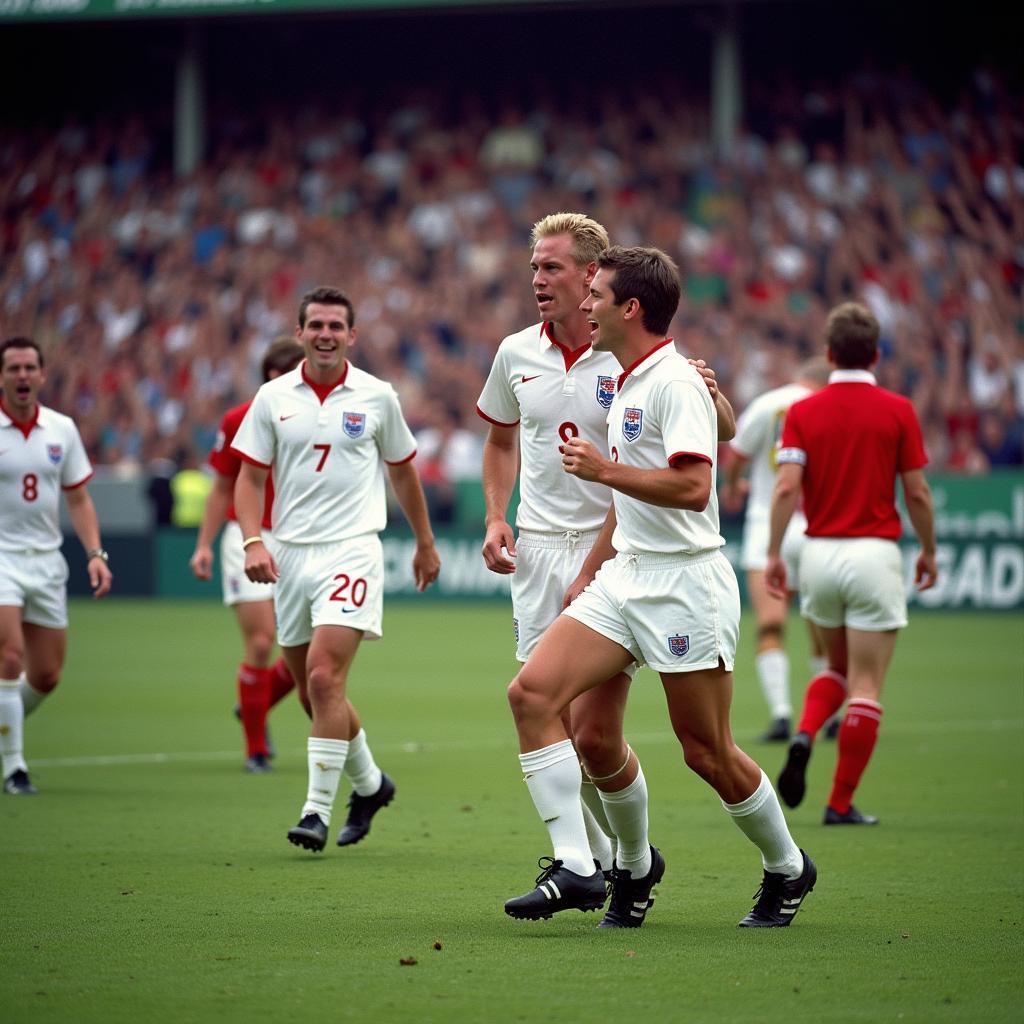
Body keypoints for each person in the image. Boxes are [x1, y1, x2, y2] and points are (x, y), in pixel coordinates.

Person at [504, 247, 815, 929]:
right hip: (627, 575)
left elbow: (694, 486)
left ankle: (789, 867)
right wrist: (590, 572)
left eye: (597, 295)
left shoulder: (673, 382)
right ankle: (591, 866)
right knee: (533, 695)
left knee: (706, 751)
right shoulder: (629, 377)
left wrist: (602, 472)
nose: (586, 305)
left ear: (630, 308)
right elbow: (636, 493)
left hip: (686, 583)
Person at [479, 213, 736, 928]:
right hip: (536, 549)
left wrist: (713, 395)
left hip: (616, 552)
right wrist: (497, 515)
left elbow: (718, 431)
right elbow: (500, 442)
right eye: (533, 267)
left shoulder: (628, 355)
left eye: (552, 268)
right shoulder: (513, 354)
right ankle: (617, 863)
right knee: (545, 713)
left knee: (591, 732)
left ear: (593, 277)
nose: (537, 280)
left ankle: (599, 866)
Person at [231, 286, 441, 852]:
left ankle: (315, 813)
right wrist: (253, 540)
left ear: (352, 335)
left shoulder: (377, 396)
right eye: (315, 325)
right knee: (310, 694)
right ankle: (371, 784)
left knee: (325, 677)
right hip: (291, 555)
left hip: (352, 548)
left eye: (335, 326)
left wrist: (424, 541)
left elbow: (403, 471)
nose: (325, 334)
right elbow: (248, 479)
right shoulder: (272, 397)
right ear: (300, 333)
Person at [768, 302, 937, 826]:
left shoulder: (803, 411)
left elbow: (786, 486)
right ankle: (839, 803)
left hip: (818, 554)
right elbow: (919, 493)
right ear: (877, 355)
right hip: (873, 554)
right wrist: (929, 549)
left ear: (828, 352)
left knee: (834, 668)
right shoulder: (898, 410)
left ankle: (803, 732)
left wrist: (774, 553)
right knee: (865, 682)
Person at [0, 336, 113, 795]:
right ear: (3, 377)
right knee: (9, 656)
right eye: (14, 369)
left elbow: (79, 498)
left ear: (42, 375)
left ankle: (8, 726)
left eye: (30, 368)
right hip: (2, 557)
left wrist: (95, 555)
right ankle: (15, 767)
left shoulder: (61, 429)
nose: (23, 376)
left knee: (46, 674)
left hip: (46, 562)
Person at [189, 336, 305, 773]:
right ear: (270, 379)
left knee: (307, 653)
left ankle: (253, 702)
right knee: (261, 641)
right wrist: (204, 544)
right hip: (250, 534)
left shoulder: (320, 417)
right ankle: (255, 748)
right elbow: (222, 486)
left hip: (302, 538)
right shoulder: (240, 418)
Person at [722, 358, 831, 741]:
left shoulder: (769, 404)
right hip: (820, 525)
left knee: (771, 623)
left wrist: (734, 487)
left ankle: (782, 715)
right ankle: (829, 716)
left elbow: (737, 453)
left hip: (768, 524)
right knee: (824, 625)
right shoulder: (830, 406)